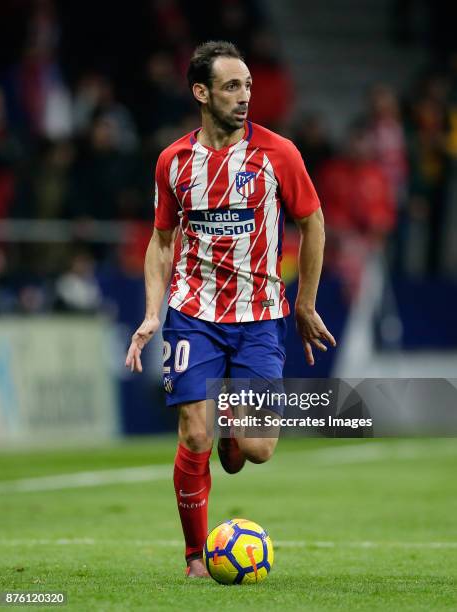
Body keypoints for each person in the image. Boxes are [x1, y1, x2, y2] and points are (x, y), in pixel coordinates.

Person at [125, 41, 336, 577]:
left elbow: (312, 224)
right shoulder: (173, 161)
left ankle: (233, 436)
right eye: (231, 86)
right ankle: (196, 557)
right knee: (194, 433)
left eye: (247, 86)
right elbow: (161, 240)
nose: (244, 97)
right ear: (202, 92)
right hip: (192, 312)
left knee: (258, 448)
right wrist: (153, 313)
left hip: (260, 315)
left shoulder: (278, 154)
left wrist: (305, 303)